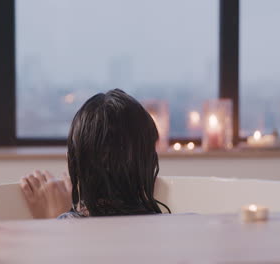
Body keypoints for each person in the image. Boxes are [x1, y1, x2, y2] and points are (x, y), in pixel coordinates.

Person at [20, 89, 170, 219]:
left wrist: (56, 219)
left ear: (74, 162)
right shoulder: (170, 225)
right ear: (149, 161)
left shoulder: (67, 225)